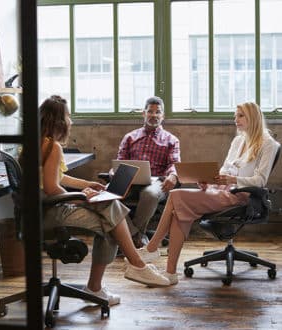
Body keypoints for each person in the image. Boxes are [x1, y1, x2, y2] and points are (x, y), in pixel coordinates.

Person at [40, 95, 172, 305]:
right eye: (68, 116)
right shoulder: (53, 147)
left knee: (110, 213)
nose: (71, 121)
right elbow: (51, 187)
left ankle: (126, 268)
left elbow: (57, 177)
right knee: (109, 221)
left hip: (41, 209)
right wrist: (82, 198)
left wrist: (87, 185)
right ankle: (132, 267)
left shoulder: (39, 143)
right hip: (52, 211)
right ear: (59, 121)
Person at [137, 102, 280, 285]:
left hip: (242, 196)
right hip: (221, 191)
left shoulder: (269, 144)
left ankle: (152, 248)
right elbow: (223, 171)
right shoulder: (238, 141)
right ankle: (170, 272)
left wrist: (231, 180)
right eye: (235, 116)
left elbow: (260, 180)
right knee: (179, 213)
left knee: (176, 196)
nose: (235, 120)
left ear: (253, 117)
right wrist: (208, 179)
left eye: (240, 116)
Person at [116, 96, 180, 248]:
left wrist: (172, 175)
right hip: (130, 179)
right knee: (107, 196)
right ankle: (136, 234)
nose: (154, 115)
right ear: (143, 114)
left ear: (162, 116)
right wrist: (115, 172)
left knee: (150, 194)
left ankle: (132, 235)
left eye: (158, 112)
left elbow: (174, 163)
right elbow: (121, 160)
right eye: (150, 111)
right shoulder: (130, 137)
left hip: (157, 181)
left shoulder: (171, 140)